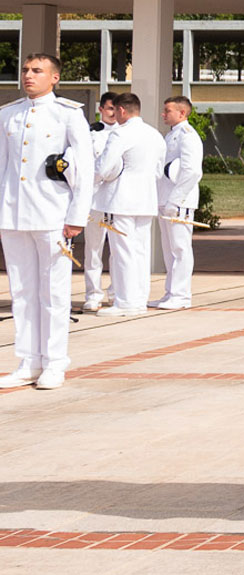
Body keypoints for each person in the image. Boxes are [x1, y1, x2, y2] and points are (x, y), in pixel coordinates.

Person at [0, 54, 95, 390]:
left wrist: (76, 217)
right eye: (26, 70)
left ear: (54, 77)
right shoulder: (9, 113)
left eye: (37, 71)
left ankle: (55, 362)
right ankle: (28, 361)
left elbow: (84, 168)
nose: (28, 75)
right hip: (13, 214)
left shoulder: (67, 113)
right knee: (22, 291)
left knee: (53, 292)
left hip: (53, 214)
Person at [92, 92, 167, 317]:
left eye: (115, 110)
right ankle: (139, 299)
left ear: (122, 110)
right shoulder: (155, 134)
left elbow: (104, 168)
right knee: (140, 251)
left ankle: (125, 302)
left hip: (120, 199)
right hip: (145, 199)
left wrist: (91, 179)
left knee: (122, 252)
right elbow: (158, 171)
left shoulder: (120, 133)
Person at [154, 96, 204, 309]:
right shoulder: (171, 134)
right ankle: (170, 293)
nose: (163, 114)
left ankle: (181, 295)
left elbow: (191, 171)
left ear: (182, 113)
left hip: (179, 201)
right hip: (166, 198)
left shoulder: (188, 136)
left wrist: (176, 200)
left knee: (180, 249)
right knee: (169, 250)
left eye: (168, 111)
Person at [80, 91, 119, 313]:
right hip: (94, 198)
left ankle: (115, 292)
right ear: (101, 109)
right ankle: (93, 294)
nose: (113, 113)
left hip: (115, 198)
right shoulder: (90, 133)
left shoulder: (125, 133)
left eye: (116, 109)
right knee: (93, 249)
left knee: (117, 249)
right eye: (109, 108)